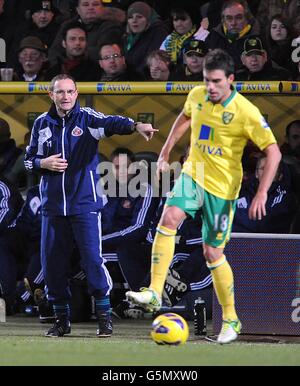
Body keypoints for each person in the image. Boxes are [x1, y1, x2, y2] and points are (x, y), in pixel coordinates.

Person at [126, 48, 282, 344]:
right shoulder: (197, 95)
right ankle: (155, 292)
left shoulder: (246, 112)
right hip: (192, 173)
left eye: (216, 81)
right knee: (169, 217)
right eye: (206, 80)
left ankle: (231, 319)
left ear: (231, 80)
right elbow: (185, 117)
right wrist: (165, 150)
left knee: (213, 253)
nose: (210, 86)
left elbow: (273, 152)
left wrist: (262, 192)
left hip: (222, 189)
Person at [24, 73, 157, 338]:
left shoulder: (87, 119)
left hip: (85, 206)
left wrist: (135, 126)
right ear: (51, 95)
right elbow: (29, 160)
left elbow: (112, 123)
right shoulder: (41, 123)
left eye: (70, 92)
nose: (66, 97)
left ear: (76, 93)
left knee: (93, 261)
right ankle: (62, 320)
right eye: (60, 92)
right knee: (52, 265)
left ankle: (105, 319)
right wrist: (43, 164)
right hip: (52, 209)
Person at [233, 156, 298, 233]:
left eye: (271, 169)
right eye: (263, 168)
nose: (266, 172)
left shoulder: (286, 197)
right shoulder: (241, 192)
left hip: (273, 243)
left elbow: (267, 224)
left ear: (279, 176)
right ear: (256, 174)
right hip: (239, 242)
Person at [205, 0, 261, 71]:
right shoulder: (213, 37)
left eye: (239, 18)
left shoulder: (258, 37)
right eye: (229, 18)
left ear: (247, 19)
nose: (233, 23)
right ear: (223, 20)